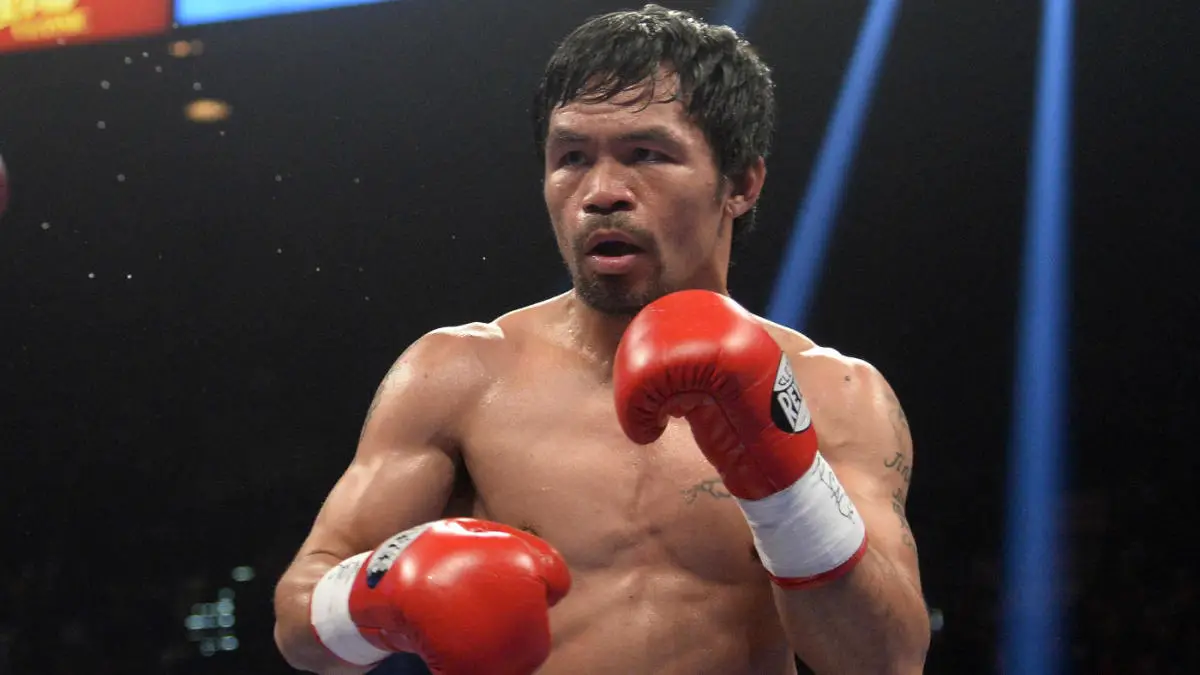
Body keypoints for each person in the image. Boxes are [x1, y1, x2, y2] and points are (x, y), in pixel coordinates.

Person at [273, 5, 930, 674]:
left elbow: (888, 660)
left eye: (647, 154)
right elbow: (297, 621)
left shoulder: (835, 392)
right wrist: (375, 596)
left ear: (740, 184)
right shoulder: (459, 373)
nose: (602, 192)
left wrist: (787, 485)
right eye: (571, 158)